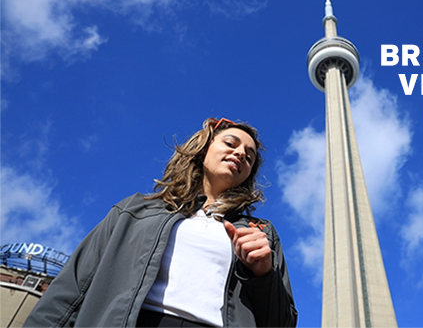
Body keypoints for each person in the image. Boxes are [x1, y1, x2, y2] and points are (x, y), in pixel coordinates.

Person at [24, 118, 297, 328]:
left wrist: (262, 275)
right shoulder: (134, 211)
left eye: (249, 157)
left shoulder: (260, 232)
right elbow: (71, 290)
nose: (240, 154)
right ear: (203, 148)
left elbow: (281, 323)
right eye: (230, 143)